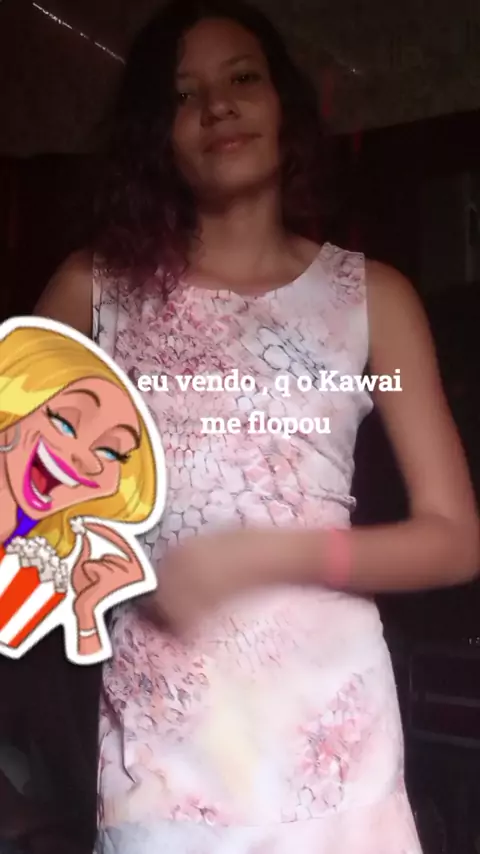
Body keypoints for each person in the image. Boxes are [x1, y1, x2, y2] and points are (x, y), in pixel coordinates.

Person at [36, 0, 479, 851]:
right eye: (184, 94)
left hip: (336, 750)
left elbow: (454, 539)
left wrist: (269, 554)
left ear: (284, 105)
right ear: (156, 133)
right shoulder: (92, 293)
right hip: (164, 764)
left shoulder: (372, 298)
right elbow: (21, 511)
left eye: (242, 78)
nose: (218, 106)